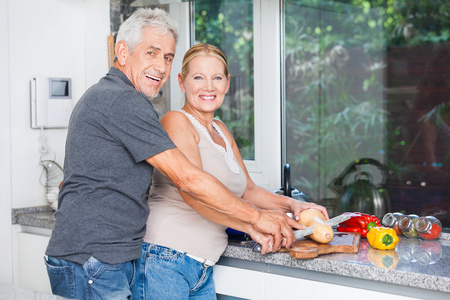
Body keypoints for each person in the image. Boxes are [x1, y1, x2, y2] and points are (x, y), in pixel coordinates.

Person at [44, 9, 310, 300]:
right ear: (122, 52)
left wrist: (267, 214)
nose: (160, 66)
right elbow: (187, 179)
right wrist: (256, 219)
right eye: (151, 52)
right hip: (94, 257)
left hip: (99, 256)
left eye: (167, 57)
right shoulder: (122, 100)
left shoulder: (116, 97)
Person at [132, 43, 329, 299]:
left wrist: (292, 205)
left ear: (227, 83)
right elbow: (193, 192)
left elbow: (247, 189)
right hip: (165, 257)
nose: (209, 87)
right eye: (198, 77)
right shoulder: (175, 121)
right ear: (182, 82)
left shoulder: (221, 129)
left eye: (217, 78)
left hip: (202, 265)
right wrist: (253, 222)